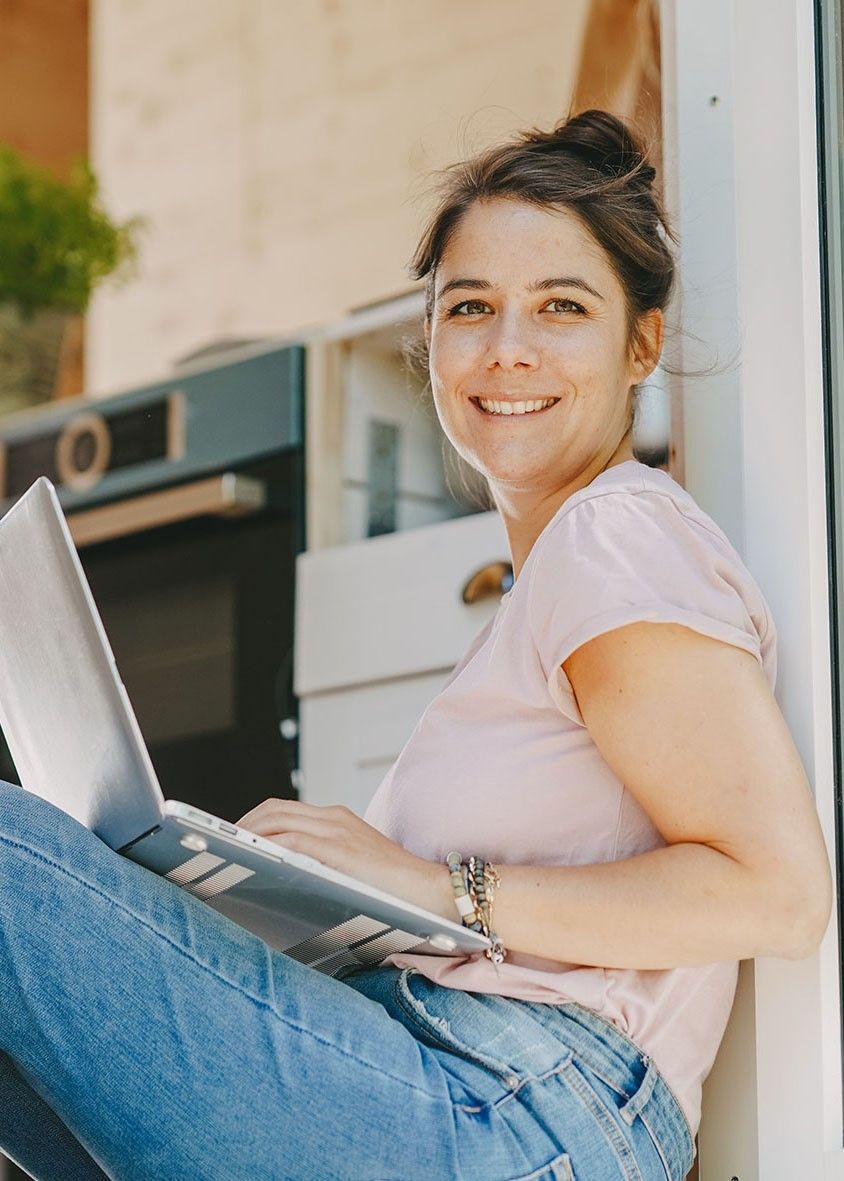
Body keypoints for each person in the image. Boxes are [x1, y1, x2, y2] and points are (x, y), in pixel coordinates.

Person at [0, 110, 832, 1181]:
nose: (508, 348)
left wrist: (435, 885)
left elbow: (776, 891)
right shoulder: (556, 585)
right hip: (459, 1087)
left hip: (513, 1107)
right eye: (470, 307)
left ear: (641, 345)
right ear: (429, 339)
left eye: (561, 308)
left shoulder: (613, 533)